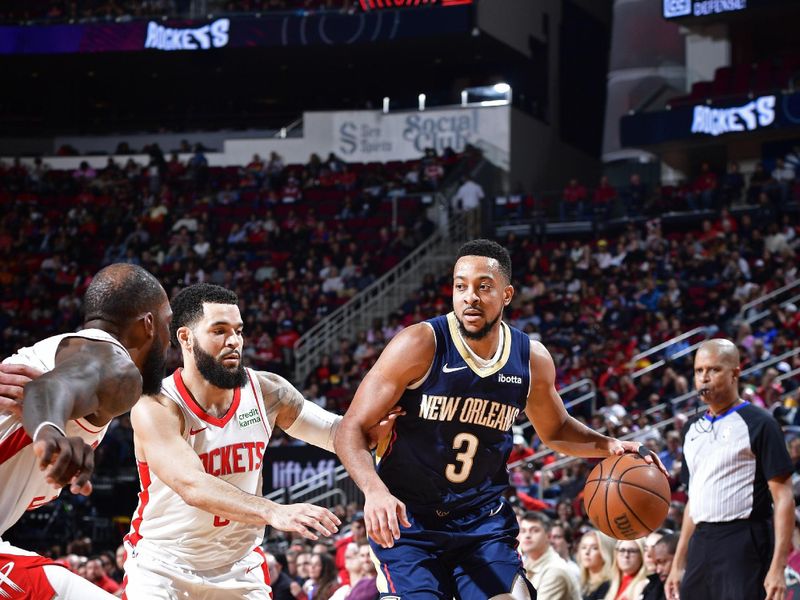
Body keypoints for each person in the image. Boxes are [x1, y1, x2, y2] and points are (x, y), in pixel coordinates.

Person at [334, 239, 663, 599]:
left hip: (482, 523)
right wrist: (373, 490)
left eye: (483, 286)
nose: (470, 296)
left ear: (506, 295)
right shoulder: (420, 344)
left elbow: (555, 429)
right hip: (409, 524)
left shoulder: (530, 358)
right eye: (461, 286)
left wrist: (608, 445)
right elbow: (349, 427)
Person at [122, 283, 393, 599]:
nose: (234, 341)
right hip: (164, 567)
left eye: (238, 330)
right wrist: (274, 511)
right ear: (185, 338)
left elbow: (337, 434)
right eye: (219, 331)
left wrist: (373, 430)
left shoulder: (267, 392)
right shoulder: (156, 405)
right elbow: (191, 485)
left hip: (239, 566)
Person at [0, 263, 172, 599]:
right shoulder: (117, 366)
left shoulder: (65, 353)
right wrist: (49, 434)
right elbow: (49, 390)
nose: (169, 343)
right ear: (148, 325)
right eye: (167, 324)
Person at [665, 339, 794, 600]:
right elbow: (694, 500)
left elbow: (784, 499)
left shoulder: (761, 423)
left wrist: (778, 567)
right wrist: (678, 563)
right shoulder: (691, 429)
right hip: (701, 542)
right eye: (699, 371)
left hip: (744, 540)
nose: (704, 378)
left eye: (713, 370)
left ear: (735, 373)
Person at [518, 512, 580, 600]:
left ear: (548, 535)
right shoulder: (526, 563)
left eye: (535, 530)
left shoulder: (555, 570)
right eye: (523, 531)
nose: (527, 535)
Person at [636, 533, 677, 600]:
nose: (658, 570)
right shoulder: (650, 587)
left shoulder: (692, 588)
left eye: (662, 562)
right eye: (646, 549)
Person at [577, 529, 614, 600]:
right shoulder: (581, 584)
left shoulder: (607, 585)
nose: (587, 552)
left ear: (605, 553)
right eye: (584, 547)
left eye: (594, 548)